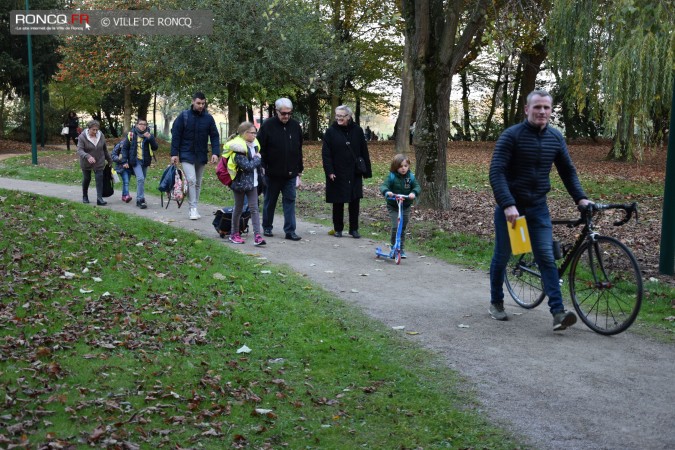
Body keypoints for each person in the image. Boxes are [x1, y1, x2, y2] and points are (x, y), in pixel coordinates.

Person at [488, 89, 592, 331]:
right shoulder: (511, 136)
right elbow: (497, 172)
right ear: (527, 109)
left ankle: (558, 312)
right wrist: (508, 203)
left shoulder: (555, 138)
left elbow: (567, 171)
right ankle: (496, 302)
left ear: (551, 111)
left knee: (546, 256)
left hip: (538, 207)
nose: (542, 111)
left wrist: (581, 198)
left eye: (546, 107)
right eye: (537, 107)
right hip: (511, 209)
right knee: (503, 255)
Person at [321, 105, 372, 238]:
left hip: (354, 171)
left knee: (354, 201)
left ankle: (353, 229)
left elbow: (364, 151)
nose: (338, 118)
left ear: (349, 117)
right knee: (338, 201)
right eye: (337, 116)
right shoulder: (331, 132)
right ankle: (338, 228)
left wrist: (366, 171)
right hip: (337, 172)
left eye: (341, 116)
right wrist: (329, 171)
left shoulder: (357, 130)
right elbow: (326, 154)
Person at [258, 98, 304, 241]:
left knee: (290, 201)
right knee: (270, 201)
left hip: (290, 173)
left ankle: (290, 230)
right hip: (272, 173)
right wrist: (262, 167)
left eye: (289, 113)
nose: (286, 116)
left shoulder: (296, 126)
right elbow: (260, 149)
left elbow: (298, 149)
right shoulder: (267, 126)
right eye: (283, 113)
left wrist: (299, 171)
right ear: (277, 111)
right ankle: (267, 226)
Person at [171, 92, 221, 220]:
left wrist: (215, 152)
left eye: (203, 103)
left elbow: (214, 136)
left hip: (201, 154)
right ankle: (192, 208)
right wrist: (174, 153)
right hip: (186, 153)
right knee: (191, 180)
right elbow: (176, 134)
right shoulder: (184, 116)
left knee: (198, 183)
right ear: (193, 101)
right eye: (198, 103)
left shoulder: (208, 118)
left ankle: (195, 206)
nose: (201, 106)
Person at [223, 122, 266, 246]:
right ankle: (234, 234)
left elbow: (254, 166)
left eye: (255, 132)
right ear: (244, 133)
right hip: (240, 183)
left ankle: (258, 236)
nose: (254, 135)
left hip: (253, 182)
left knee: (254, 209)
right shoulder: (238, 149)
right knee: (238, 208)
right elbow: (248, 166)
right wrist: (257, 158)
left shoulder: (254, 146)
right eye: (252, 133)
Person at [379, 154, 421, 258]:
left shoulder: (410, 177)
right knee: (396, 226)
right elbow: (384, 186)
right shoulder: (391, 177)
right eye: (401, 166)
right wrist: (387, 192)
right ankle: (394, 246)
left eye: (406, 166)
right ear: (395, 167)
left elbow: (417, 186)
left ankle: (401, 249)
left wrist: (413, 193)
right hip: (393, 206)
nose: (403, 168)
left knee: (403, 227)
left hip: (405, 206)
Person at [121, 118, 158, 209]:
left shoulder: (149, 135)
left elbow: (155, 147)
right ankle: (140, 200)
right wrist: (124, 160)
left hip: (145, 161)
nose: (143, 126)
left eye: (144, 124)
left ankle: (141, 197)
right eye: (141, 124)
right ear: (137, 125)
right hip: (135, 160)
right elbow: (125, 148)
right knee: (140, 178)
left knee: (142, 179)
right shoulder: (131, 134)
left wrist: (150, 138)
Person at [76, 119, 112, 206]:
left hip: (99, 160)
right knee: (87, 178)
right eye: (93, 130)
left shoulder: (101, 135)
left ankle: (99, 199)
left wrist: (109, 159)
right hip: (86, 162)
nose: (95, 131)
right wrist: (87, 156)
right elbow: (79, 150)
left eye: (97, 129)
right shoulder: (82, 137)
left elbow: (104, 149)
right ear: (89, 129)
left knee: (99, 179)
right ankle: (85, 196)